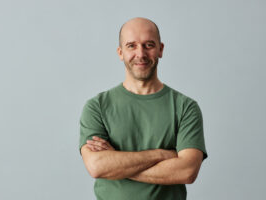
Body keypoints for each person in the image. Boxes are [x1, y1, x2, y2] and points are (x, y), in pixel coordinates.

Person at [79, 17, 208, 200]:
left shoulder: (185, 107)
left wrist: (117, 163)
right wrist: (162, 154)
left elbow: (186, 171)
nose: (140, 54)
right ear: (120, 52)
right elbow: (97, 166)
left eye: (148, 45)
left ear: (161, 49)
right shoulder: (97, 107)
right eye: (131, 46)